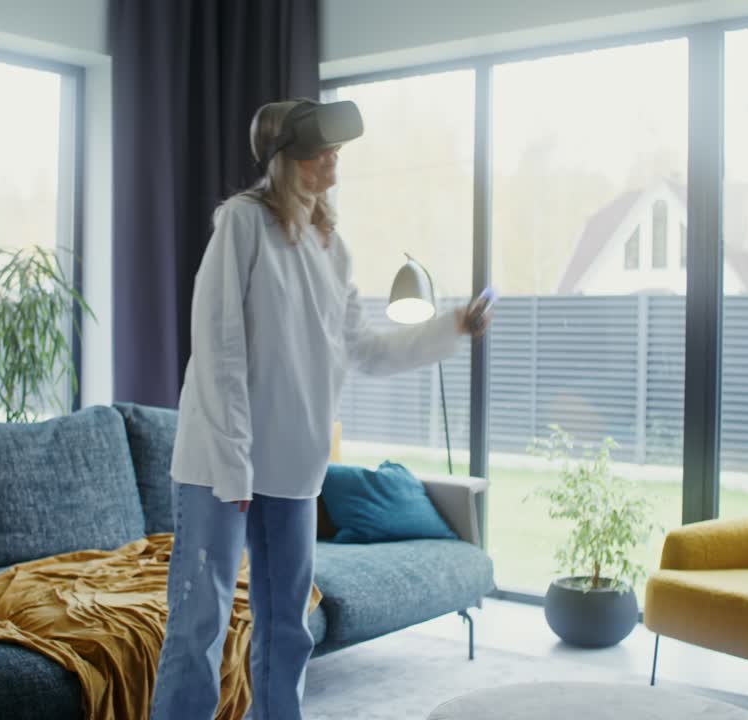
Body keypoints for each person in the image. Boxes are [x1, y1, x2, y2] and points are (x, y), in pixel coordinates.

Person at [149, 98, 492, 720]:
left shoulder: (331, 247)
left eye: (336, 148)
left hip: (294, 466)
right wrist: (234, 465)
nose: (335, 157)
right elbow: (220, 346)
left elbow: (364, 350)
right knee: (201, 624)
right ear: (288, 157)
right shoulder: (242, 223)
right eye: (323, 148)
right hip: (218, 466)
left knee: (288, 626)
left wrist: (452, 327)